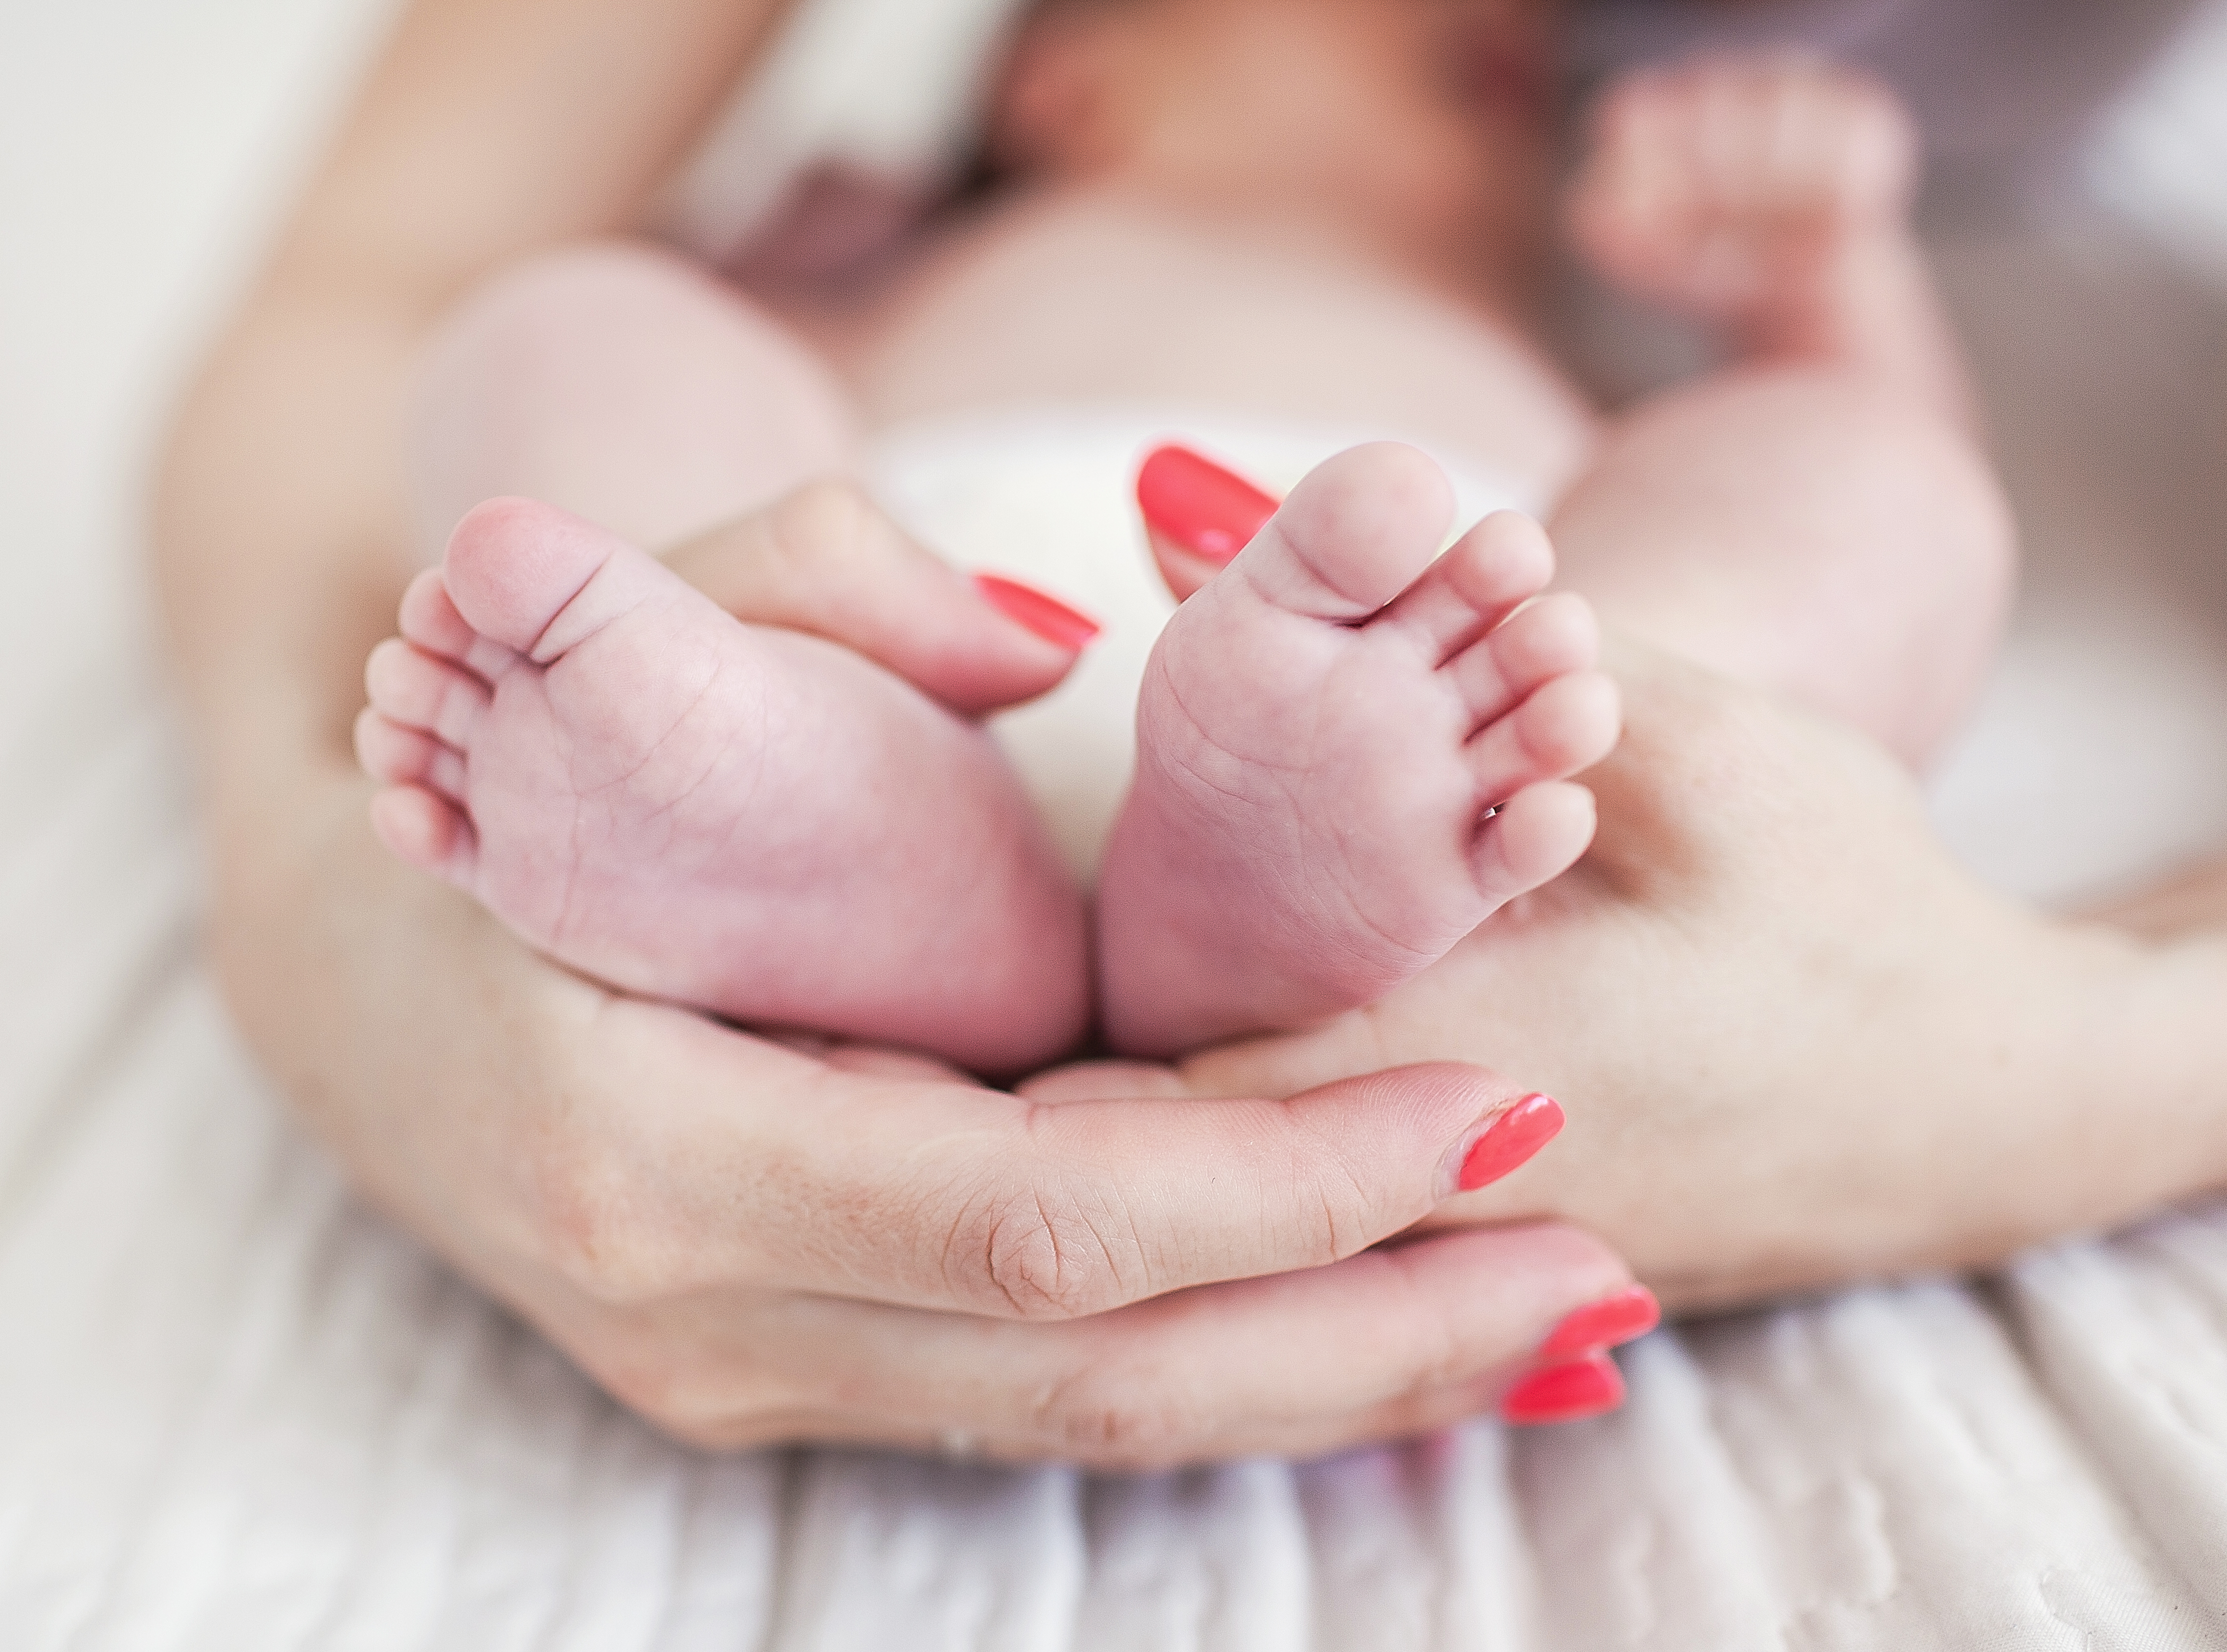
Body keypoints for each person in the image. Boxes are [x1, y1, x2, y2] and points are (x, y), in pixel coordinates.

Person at [153, 0, 2227, 1465]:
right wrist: (733, 315)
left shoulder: (1544, 361)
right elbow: (384, 279)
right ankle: (768, 789)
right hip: (915, 650)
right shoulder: (919, 272)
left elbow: (1876, 471)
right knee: (564, 329)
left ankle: (1389, 844)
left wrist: (1811, 298)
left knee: (1864, 489)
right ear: (1070, 78)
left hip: (1457, 684)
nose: (1517, 68)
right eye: (1418, 48)